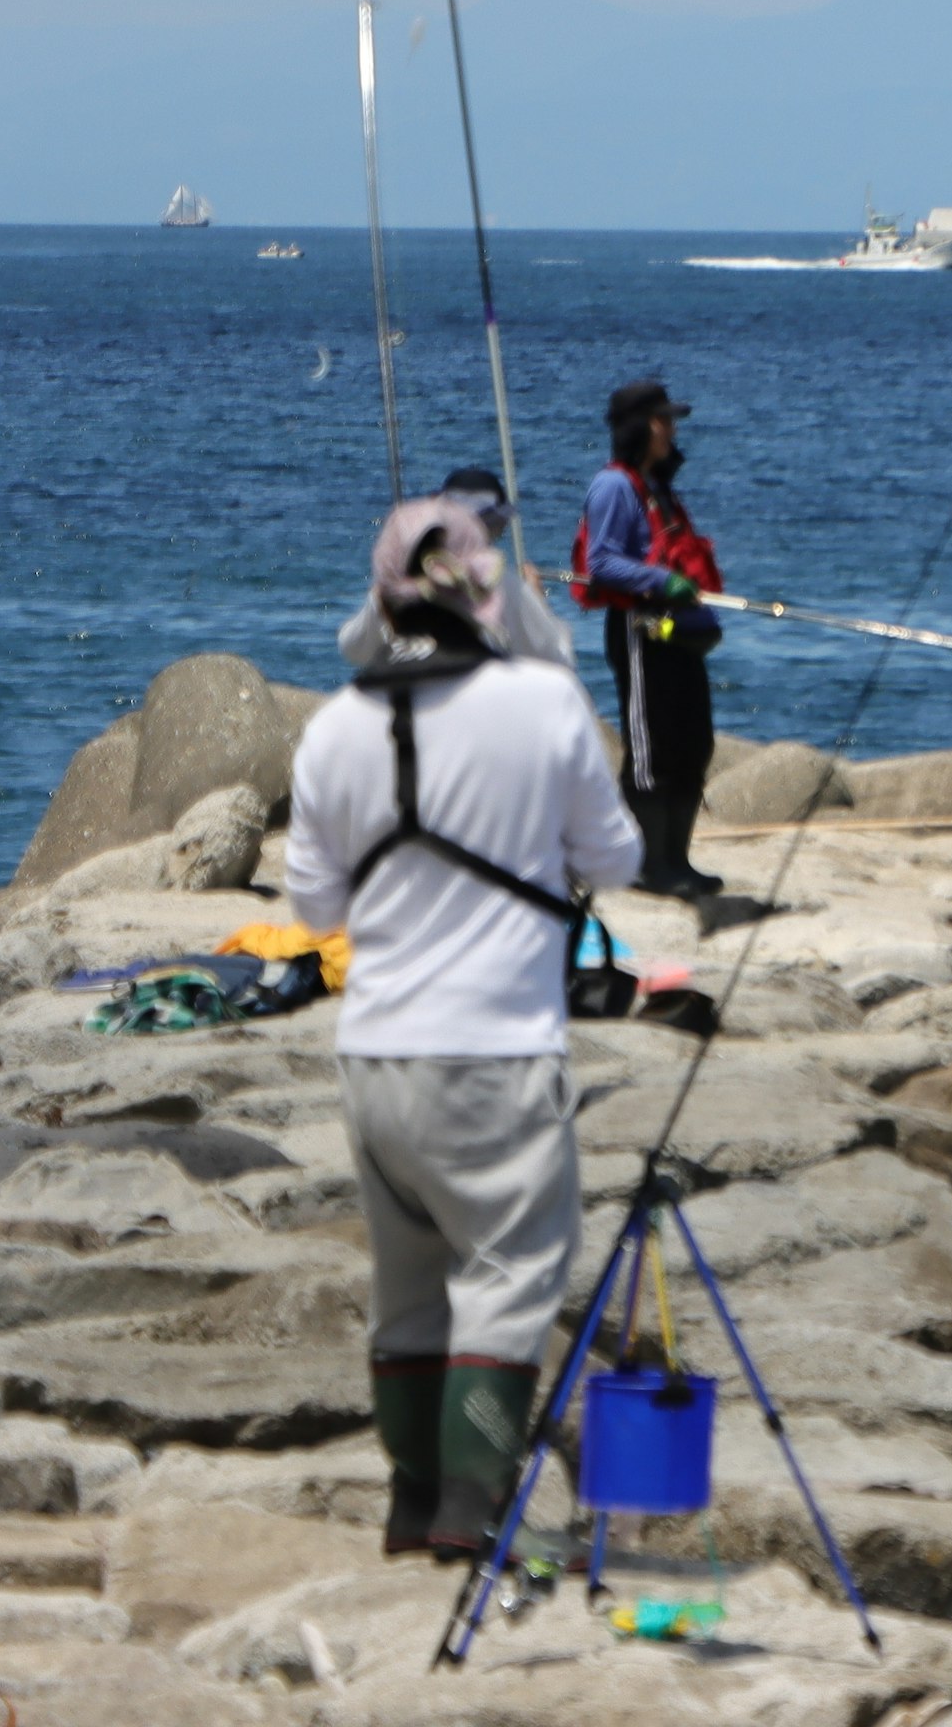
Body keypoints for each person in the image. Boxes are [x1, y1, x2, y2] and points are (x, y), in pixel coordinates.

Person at [286, 494, 641, 1558]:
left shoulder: (335, 723)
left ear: (385, 593)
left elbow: (312, 910)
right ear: (487, 585)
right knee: (508, 1273)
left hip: (375, 1059)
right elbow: (617, 858)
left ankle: (409, 1503)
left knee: (408, 1293)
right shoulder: (542, 703)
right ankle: (469, 1513)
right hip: (498, 1050)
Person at [574, 381, 724, 900]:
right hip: (641, 632)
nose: (672, 430)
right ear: (641, 426)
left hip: (678, 633)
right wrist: (664, 583)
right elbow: (602, 560)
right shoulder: (614, 487)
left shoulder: (657, 487)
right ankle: (647, 864)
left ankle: (678, 860)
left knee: (693, 742)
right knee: (650, 750)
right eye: (664, 421)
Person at [337, 466, 575, 676]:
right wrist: (537, 601)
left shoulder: (396, 587)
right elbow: (557, 658)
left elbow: (353, 648)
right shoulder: (506, 586)